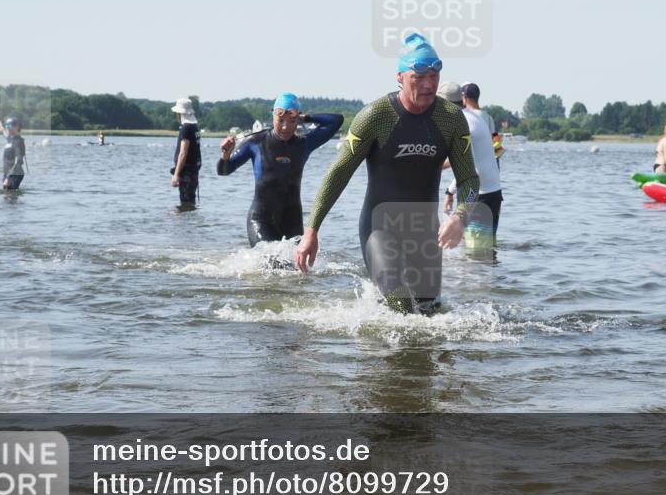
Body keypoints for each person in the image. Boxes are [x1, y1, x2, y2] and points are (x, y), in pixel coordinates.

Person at [294, 33, 479, 314]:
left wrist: (460, 216)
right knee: (400, 302)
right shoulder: (376, 116)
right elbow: (339, 173)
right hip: (379, 229)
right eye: (419, 77)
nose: (429, 84)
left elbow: (468, 179)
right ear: (400, 77)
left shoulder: (450, 119)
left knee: (429, 313)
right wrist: (312, 230)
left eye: (434, 75)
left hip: (425, 234)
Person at [217, 93, 343, 246]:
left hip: (292, 222)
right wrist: (225, 155)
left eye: (291, 121)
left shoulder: (304, 144)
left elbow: (336, 121)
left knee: (296, 269)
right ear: (273, 117)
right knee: (272, 262)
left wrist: (305, 117)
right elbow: (224, 171)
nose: (285, 127)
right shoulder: (255, 142)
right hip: (261, 220)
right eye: (280, 120)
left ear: (297, 119)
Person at [440, 82, 503, 247]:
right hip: (491, 192)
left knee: (477, 254)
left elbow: (464, 165)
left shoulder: (464, 123)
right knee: (485, 250)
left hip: (481, 195)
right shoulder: (473, 116)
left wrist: (449, 189)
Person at [170, 98, 202, 207]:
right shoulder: (194, 127)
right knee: (190, 204)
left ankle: (183, 224)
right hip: (193, 172)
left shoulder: (186, 128)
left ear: (180, 113)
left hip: (187, 173)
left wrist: (176, 175)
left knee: (185, 205)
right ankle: (190, 224)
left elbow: (183, 152)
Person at [0, 117, 26, 191]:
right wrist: (2, 127)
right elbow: (5, 134)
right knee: (7, 196)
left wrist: (8, 177)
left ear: (16, 127)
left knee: (10, 197)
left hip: (15, 174)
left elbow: (19, 160)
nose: (7, 128)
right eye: (6, 126)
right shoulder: (11, 139)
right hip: (9, 172)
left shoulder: (18, 142)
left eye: (9, 126)